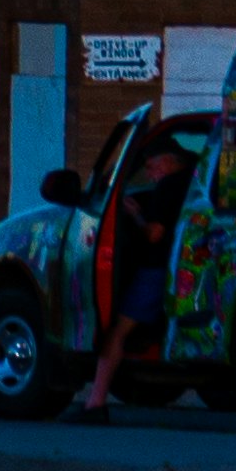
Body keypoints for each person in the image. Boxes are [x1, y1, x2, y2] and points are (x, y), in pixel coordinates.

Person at [68, 137, 197, 423]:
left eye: (151, 168)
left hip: (156, 270)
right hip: (183, 271)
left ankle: (96, 403)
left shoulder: (168, 187)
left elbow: (154, 234)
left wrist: (136, 215)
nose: (150, 175)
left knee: (116, 333)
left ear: (168, 161)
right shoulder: (192, 183)